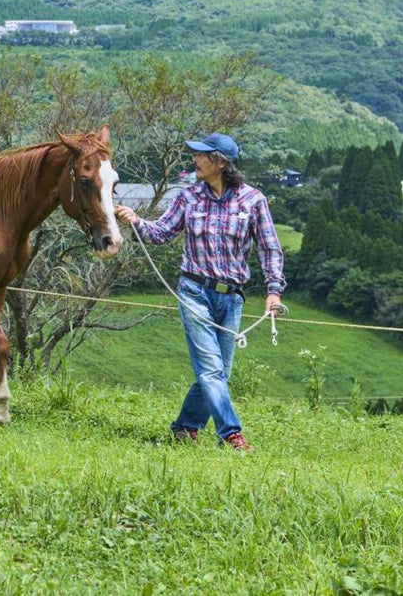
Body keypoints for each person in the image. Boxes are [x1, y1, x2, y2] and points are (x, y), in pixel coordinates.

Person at [117, 132, 285, 452]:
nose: (194, 159)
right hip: (193, 290)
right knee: (211, 369)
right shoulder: (188, 196)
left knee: (218, 372)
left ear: (220, 162)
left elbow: (270, 248)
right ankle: (231, 435)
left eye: (201, 155)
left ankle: (184, 428)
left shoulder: (253, 200)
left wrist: (273, 291)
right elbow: (162, 232)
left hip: (232, 297)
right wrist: (135, 220)